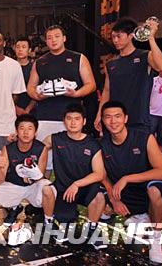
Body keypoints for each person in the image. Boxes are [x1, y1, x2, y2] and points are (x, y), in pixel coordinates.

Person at [100, 101, 162, 264]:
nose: (113, 121)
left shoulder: (144, 138)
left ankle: (157, 243)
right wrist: (113, 198)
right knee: (102, 204)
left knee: (154, 191)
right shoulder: (102, 145)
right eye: (108, 117)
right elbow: (102, 175)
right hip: (129, 193)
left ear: (125, 118)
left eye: (117, 116)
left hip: (157, 187)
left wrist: (127, 178)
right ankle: (140, 214)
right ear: (102, 120)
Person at [27, 25, 96, 171]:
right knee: (43, 160)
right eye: (50, 37)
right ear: (46, 41)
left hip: (71, 118)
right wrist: (38, 95)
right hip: (45, 117)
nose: (53, 40)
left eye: (57, 36)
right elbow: (30, 89)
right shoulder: (40, 62)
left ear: (64, 38)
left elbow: (91, 84)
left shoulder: (78, 58)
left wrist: (76, 94)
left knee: (70, 161)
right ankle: (43, 190)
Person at [41, 104, 106, 249]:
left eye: (77, 119)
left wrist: (77, 184)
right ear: (64, 121)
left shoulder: (92, 144)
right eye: (69, 118)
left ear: (83, 121)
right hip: (63, 189)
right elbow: (37, 148)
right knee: (46, 189)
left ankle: (91, 231)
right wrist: (16, 141)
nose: (73, 122)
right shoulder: (55, 139)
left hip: (83, 189)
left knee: (99, 197)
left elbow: (99, 173)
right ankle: (49, 224)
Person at [95, 17, 162, 132]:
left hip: (139, 120)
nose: (115, 40)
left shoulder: (144, 56)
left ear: (131, 35)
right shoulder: (111, 64)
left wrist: (151, 37)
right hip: (115, 122)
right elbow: (107, 91)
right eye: (113, 37)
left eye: (119, 36)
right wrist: (100, 114)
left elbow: (161, 66)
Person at [0, 114, 50, 226]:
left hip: (33, 185)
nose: (26, 132)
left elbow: (40, 176)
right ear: (17, 131)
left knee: (49, 189)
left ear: (35, 132)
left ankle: (48, 219)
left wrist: (29, 178)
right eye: (22, 128)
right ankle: (14, 207)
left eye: (30, 128)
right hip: (13, 184)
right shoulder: (7, 149)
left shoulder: (41, 148)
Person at [13, 37, 36, 117]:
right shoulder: (9, 66)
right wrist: (14, 108)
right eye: (18, 47)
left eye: (23, 47)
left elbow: (37, 90)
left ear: (29, 50)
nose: (20, 50)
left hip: (31, 108)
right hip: (11, 109)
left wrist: (28, 109)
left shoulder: (34, 67)